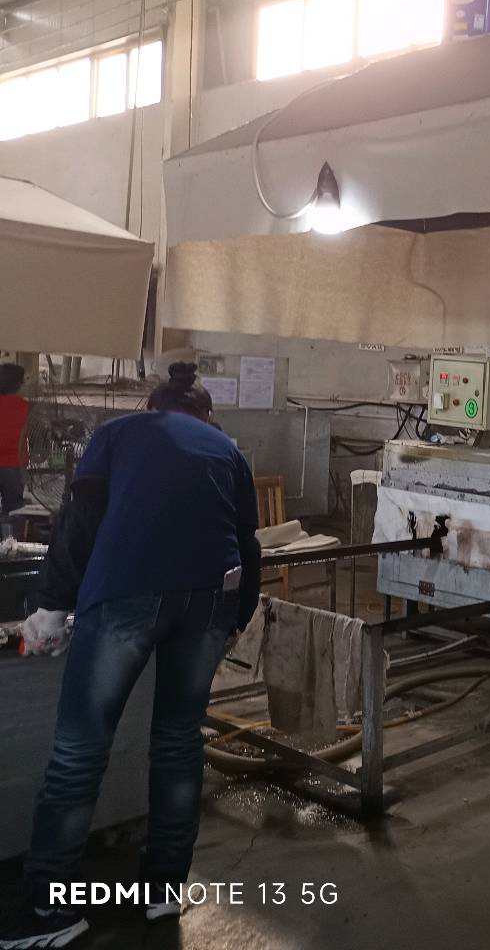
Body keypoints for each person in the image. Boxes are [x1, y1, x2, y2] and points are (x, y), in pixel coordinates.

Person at [0, 362, 261, 950]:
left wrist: (49, 604)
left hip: (126, 594)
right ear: (205, 414)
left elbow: (80, 520)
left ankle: (50, 911)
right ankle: (163, 888)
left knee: (79, 751)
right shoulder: (227, 450)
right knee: (178, 743)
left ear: (153, 408)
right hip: (210, 599)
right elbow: (248, 543)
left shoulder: (117, 433)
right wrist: (237, 619)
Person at [0, 362, 29, 519]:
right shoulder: (26, 407)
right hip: (14, 465)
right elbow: (37, 435)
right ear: (19, 384)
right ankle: (9, 532)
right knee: (13, 510)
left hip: (13, 463)